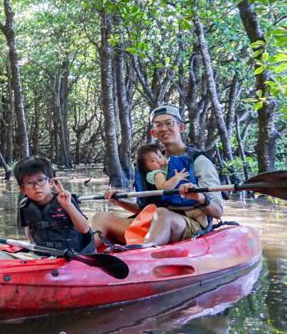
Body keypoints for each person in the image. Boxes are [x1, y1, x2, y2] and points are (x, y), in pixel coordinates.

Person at [92, 104, 225, 247]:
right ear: (154, 133)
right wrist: (120, 201)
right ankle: (79, 257)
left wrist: (200, 197)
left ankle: (144, 254)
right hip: (154, 220)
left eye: (169, 123)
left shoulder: (199, 162)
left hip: (189, 223)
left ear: (180, 127)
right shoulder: (151, 164)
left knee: (162, 214)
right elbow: (143, 208)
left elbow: (218, 212)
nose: (164, 128)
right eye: (158, 125)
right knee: (101, 218)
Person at [13, 155, 93, 253]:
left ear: (51, 182)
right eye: (30, 183)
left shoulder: (66, 200)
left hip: (70, 255)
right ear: (23, 189)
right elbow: (29, 231)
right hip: (41, 254)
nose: (36, 187)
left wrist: (68, 206)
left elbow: (84, 229)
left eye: (41, 180)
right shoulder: (24, 206)